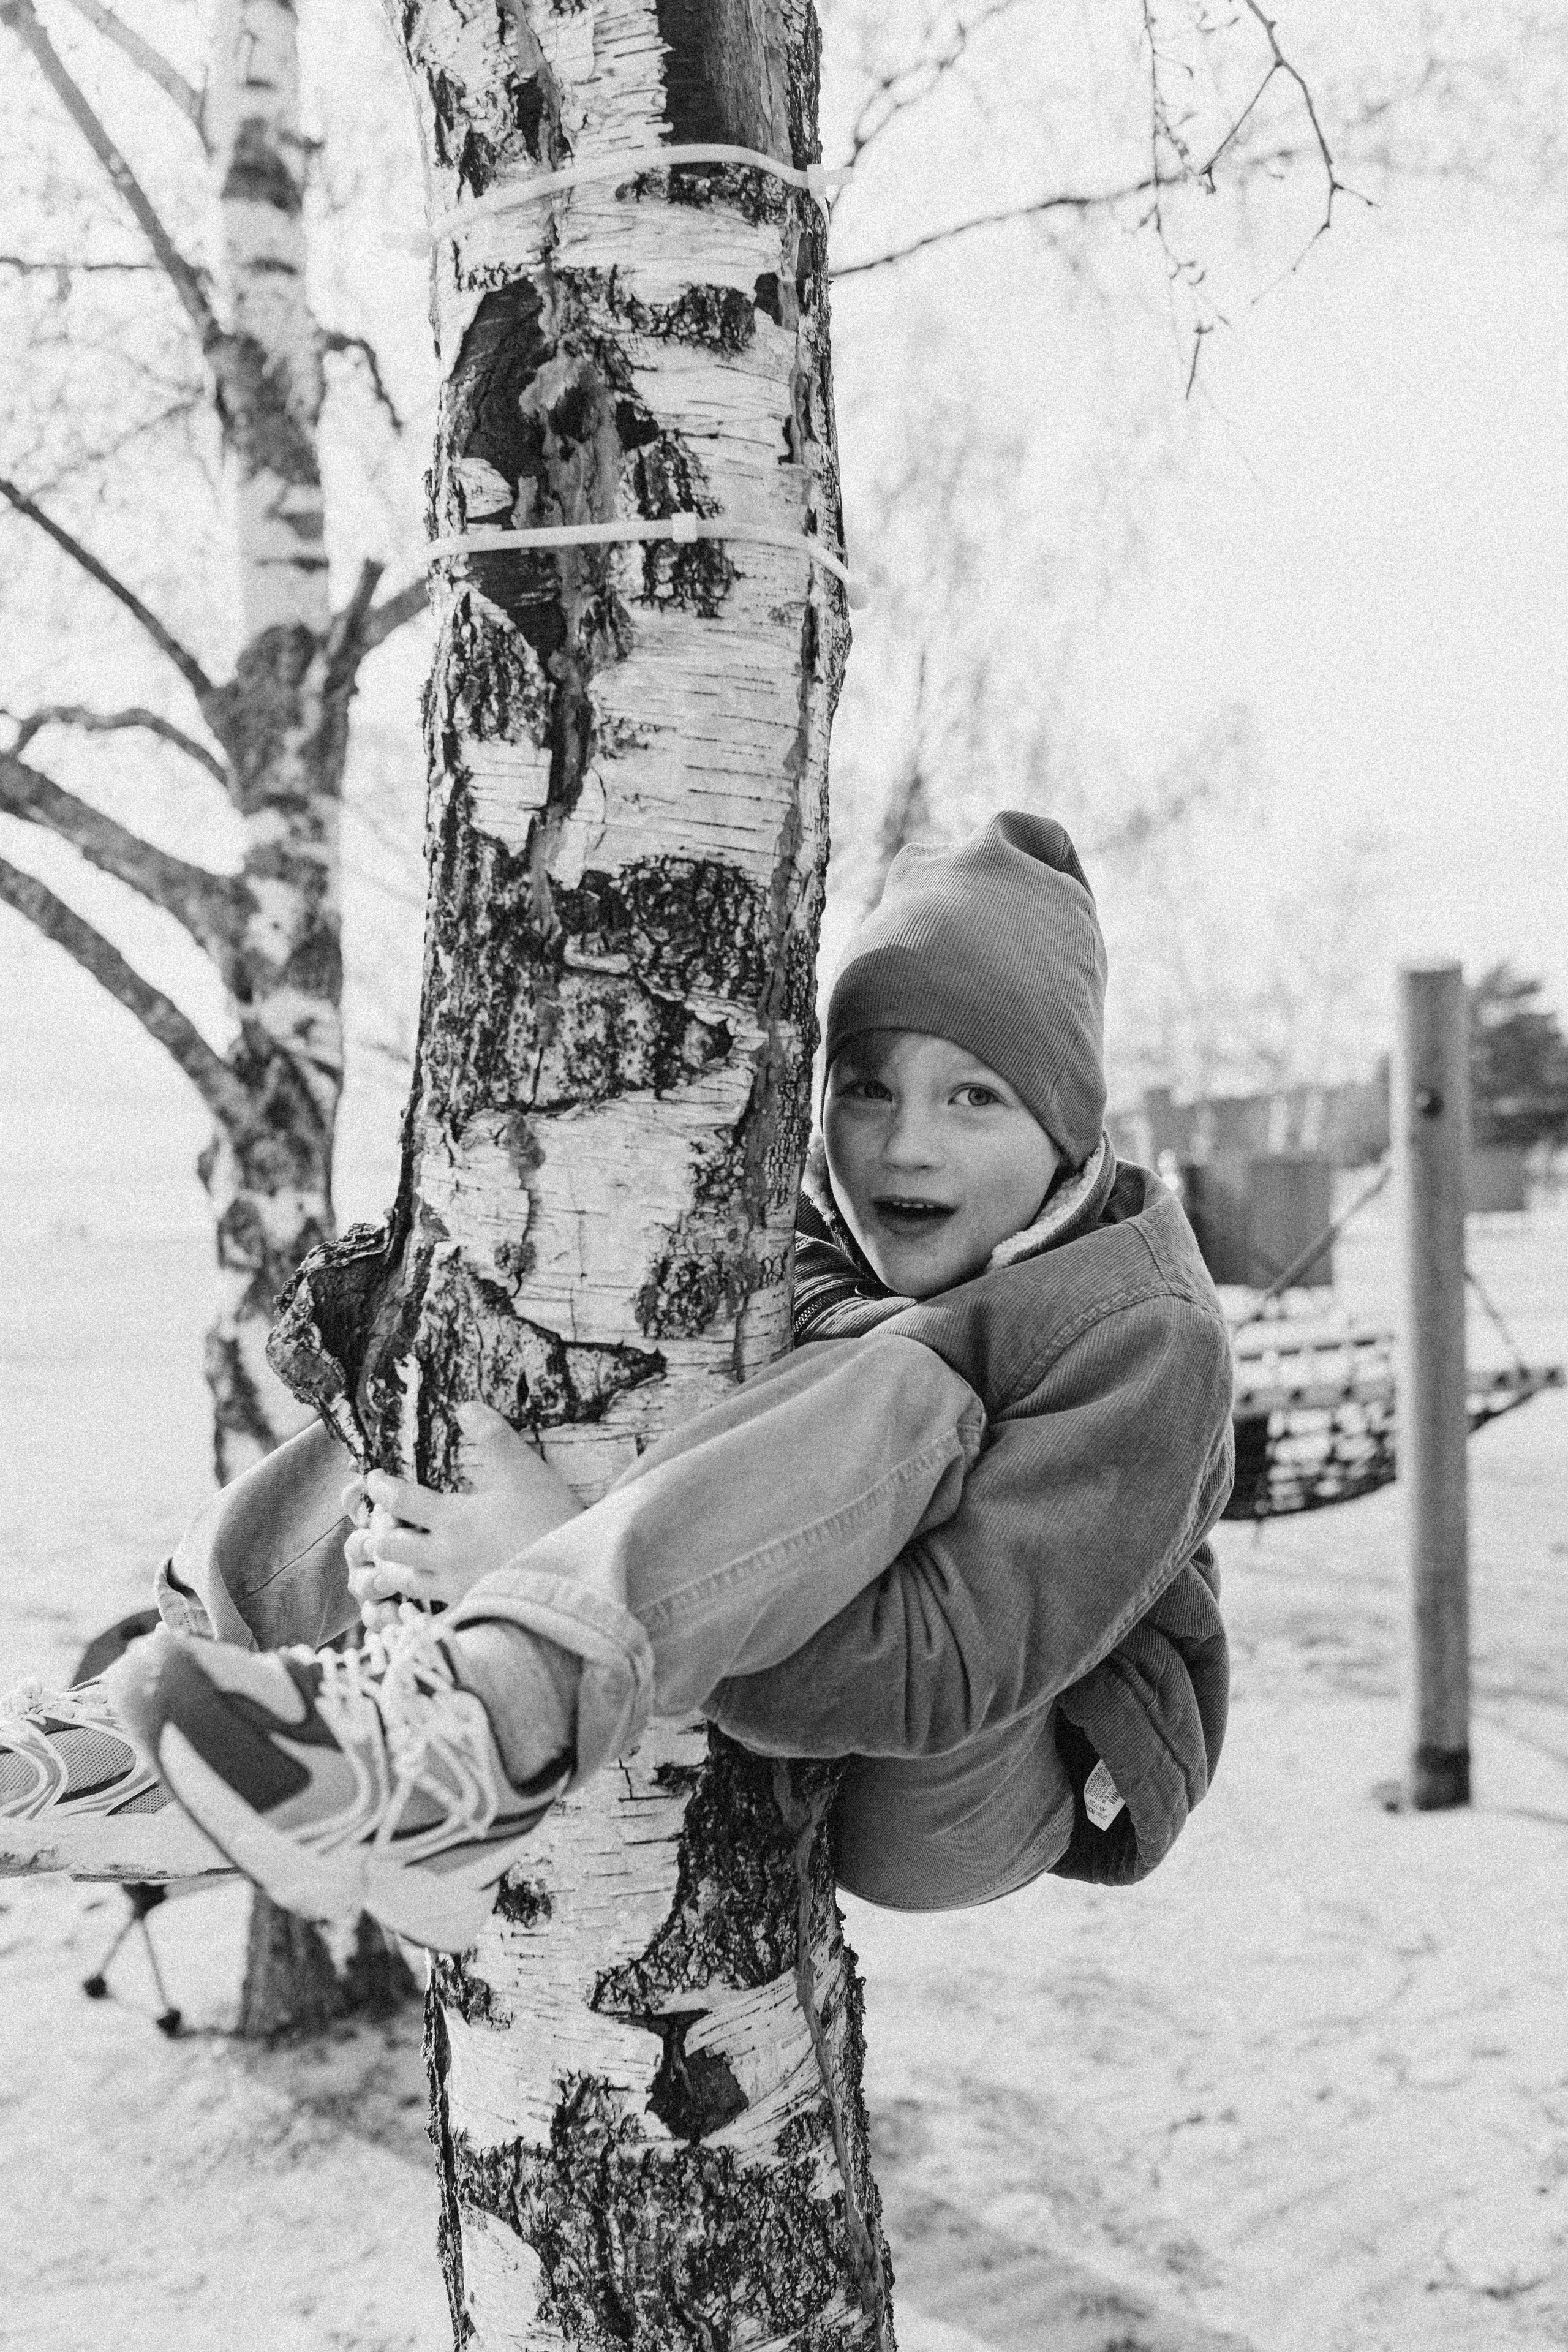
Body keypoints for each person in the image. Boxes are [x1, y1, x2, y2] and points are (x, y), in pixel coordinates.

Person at [1, 815, 1234, 1953]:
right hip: (821, 1688)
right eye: (865, 1088)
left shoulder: (1141, 1331)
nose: (903, 1143)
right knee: (511, 1370)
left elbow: (938, 1663)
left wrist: (553, 1563)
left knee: (899, 1373)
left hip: (996, 1772)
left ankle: (490, 1725)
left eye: (973, 1098)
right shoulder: (798, 1240)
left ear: (1068, 1133)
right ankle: (183, 1689)